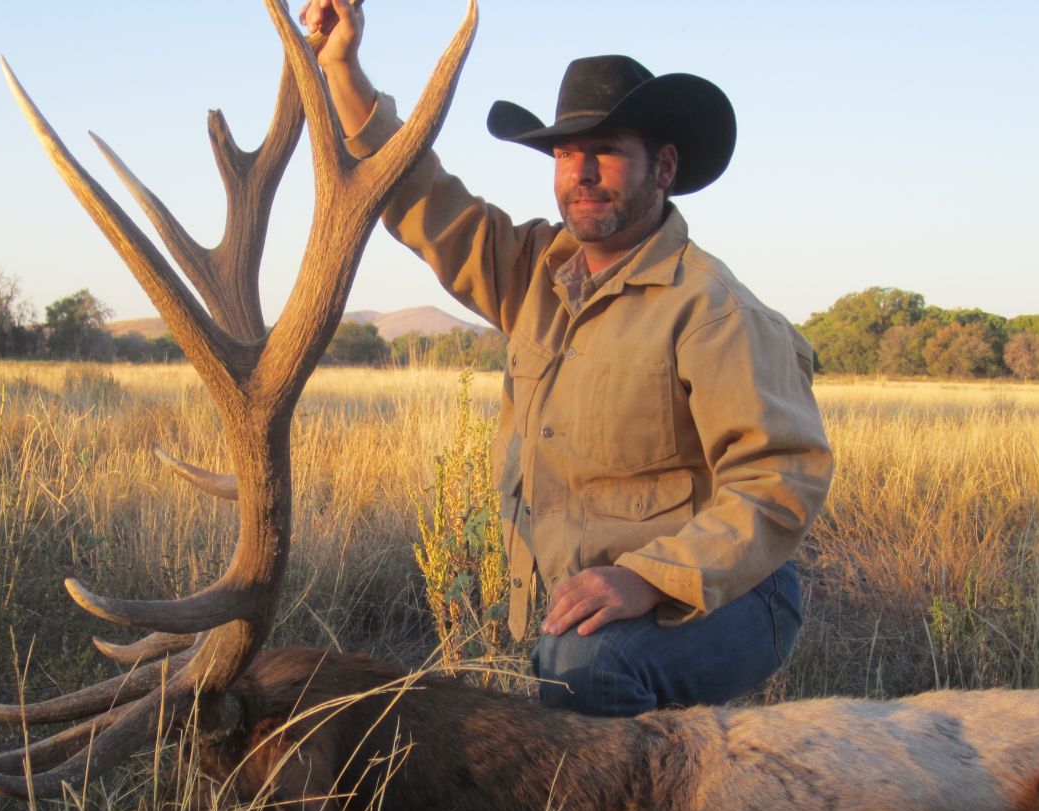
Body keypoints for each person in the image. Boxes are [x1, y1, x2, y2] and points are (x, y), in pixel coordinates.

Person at [302, 0, 833, 715]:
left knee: (581, 669)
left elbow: (779, 483)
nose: (579, 172)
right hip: (596, 601)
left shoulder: (712, 309)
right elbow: (422, 195)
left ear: (663, 167)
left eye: (606, 149)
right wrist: (344, 69)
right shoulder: (534, 274)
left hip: (734, 593)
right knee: (548, 676)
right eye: (563, 153)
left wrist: (649, 578)